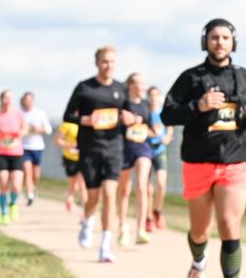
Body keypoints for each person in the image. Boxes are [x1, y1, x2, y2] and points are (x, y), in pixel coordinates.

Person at [162, 18, 246, 278]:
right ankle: (198, 260)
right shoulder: (191, 78)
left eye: (225, 38)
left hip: (235, 161)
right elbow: (166, 115)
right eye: (214, 37)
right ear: (206, 41)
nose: (220, 43)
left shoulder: (244, 77)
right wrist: (198, 106)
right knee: (200, 231)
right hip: (198, 162)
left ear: (233, 42)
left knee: (229, 224)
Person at [63, 46, 136, 263]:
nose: (108, 65)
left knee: (110, 194)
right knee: (93, 197)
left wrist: (131, 119)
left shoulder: (121, 88)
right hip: (90, 149)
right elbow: (68, 115)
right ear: (97, 63)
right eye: (105, 61)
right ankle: (87, 221)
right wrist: (85, 120)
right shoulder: (85, 88)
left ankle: (105, 245)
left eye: (112, 61)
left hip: (114, 148)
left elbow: (130, 114)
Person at [117, 73, 159, 245]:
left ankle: (141, 229)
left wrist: (149, 129)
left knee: (142, 186)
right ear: (130, 85)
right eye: (139, 83)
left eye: (144, 83)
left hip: (143, 147)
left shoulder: (146, 104)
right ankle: (122, 227)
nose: (142, 87)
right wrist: (128, 120)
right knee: (125, 190)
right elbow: (117, 122)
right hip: (125, 148)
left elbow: (150, 128)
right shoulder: (123, 102)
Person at [0, 90, 28, 225]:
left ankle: (13, 204)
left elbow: (25, 129)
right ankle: (4, 213)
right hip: (1, 153)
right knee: (3, 182)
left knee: (16, 185)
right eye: (6, 98)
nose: (8, 101)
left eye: (10, 98)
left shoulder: (18, 114)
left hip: (16, 153)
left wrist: (19, 133)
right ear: (1, 100)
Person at [145, 85, 173, 232]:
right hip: (146, 153)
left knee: (161, 184)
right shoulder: (144, 112)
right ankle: (148, 218)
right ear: (147, 97)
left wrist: (167, 137)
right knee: (148, 189)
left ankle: (157, 211)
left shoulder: (164, 113)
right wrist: (149, 133)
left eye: (156, 95)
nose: (153, 98)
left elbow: (170, 129)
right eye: (151, 95)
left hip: (160, 152)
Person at [21, 91, 52, 206]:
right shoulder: (20, 114)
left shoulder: (40, 113)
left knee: (36, 175)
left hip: (37, 147)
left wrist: (38, 128)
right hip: (24, 147)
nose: (28, 102)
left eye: (30, 100)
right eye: (26, 100)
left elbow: (48, 129)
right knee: (27, 170)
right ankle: (30, 194)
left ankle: (33, 188)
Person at [54, 117, 86, 214]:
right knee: (73, 184)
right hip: (70, 158)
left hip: (84, 158)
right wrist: (69, 145)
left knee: (82, 184)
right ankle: (70, 198)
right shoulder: (67, 124)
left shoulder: (86, 123)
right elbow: (57, 140)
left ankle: (85, 211)